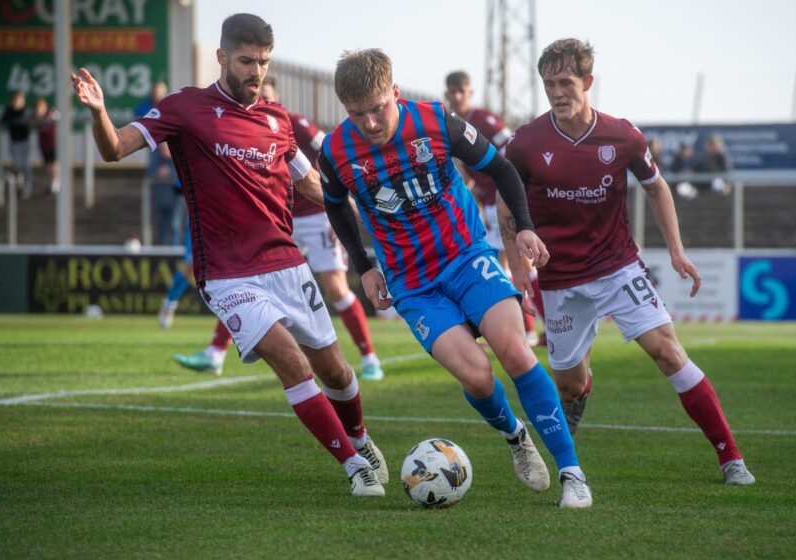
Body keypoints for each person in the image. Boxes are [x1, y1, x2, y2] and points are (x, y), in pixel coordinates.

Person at [72, 13, 387, 497]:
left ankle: (360, 438)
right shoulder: (185, 107)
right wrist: (98, 113)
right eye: (246, 61)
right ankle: (353, 466)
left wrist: (362, 205)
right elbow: (115, 149)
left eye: (262, 62)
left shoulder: (279, 120)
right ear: (221, 57)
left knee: (338, 373)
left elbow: (308, 181)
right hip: (227, 274)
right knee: (292, 364)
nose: (255, 72)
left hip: (286, 262)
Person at [320, 49, 592, 508]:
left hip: (467, 257)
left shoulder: (435, 122)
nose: (368, 122)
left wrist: (524, 225)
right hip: (412, 282)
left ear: (396, 93)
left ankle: (573, 474)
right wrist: (364, 267)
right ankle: (515, 434)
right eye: (356, 113)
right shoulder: (335, 151)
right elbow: (334, 203)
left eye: (377, 108)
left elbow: (501, 168)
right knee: (479, 377)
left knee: (514, 352)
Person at [497, 38, 755, 486]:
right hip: (559, 279)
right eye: (549, 84)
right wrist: (520, 272)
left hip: (618, 267)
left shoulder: (622, 135)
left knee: (668, 352)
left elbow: (657, 187)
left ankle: (731, 457)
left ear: (588, 82)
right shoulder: (525, 143)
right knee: (570, 385)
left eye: (566, 83)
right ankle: (581, 389)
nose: (557, 93)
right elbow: (505, 202)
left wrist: (676, 250)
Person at [174, 81, 385, 381]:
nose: (260, 101)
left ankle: (370, 358)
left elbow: (333, 151)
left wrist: (340, 210)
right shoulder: (239, 126)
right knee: (245, 281)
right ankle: (214, 354)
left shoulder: (292, 124)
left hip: (317, 214)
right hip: (278, 218)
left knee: (336, 287)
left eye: (267, 97)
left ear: (277, 100)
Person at [444, 71, 541, 346]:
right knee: (504, 265)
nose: (457, 96)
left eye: (461, 91)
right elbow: (468, 173)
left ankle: (535, 325)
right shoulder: (450, 125)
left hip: (503, 200)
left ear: (470, 93)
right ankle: (529, 327)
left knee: (517, 263)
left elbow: (513, 150)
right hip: (487, 204)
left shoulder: (484, 119)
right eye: (452, 92)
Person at [1, 91, 33, 199]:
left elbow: (25, 117)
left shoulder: (25, 111)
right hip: (14, 141)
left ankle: (26, 186)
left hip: (24, 141)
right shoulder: (9, 111)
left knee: (24, 164)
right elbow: (3, 119)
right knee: (17, 164)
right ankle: (19, 183)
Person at [32, 98, 60, 194]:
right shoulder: (36, 118)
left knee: (53, 164)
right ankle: (50, 181)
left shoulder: (51, 114)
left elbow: (58, 117)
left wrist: (51, 114)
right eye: (36, 109)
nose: (38, 111)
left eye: (40, 108)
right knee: (46, 165)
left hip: (52, 143)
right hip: (43, 144)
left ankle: (56, 182)